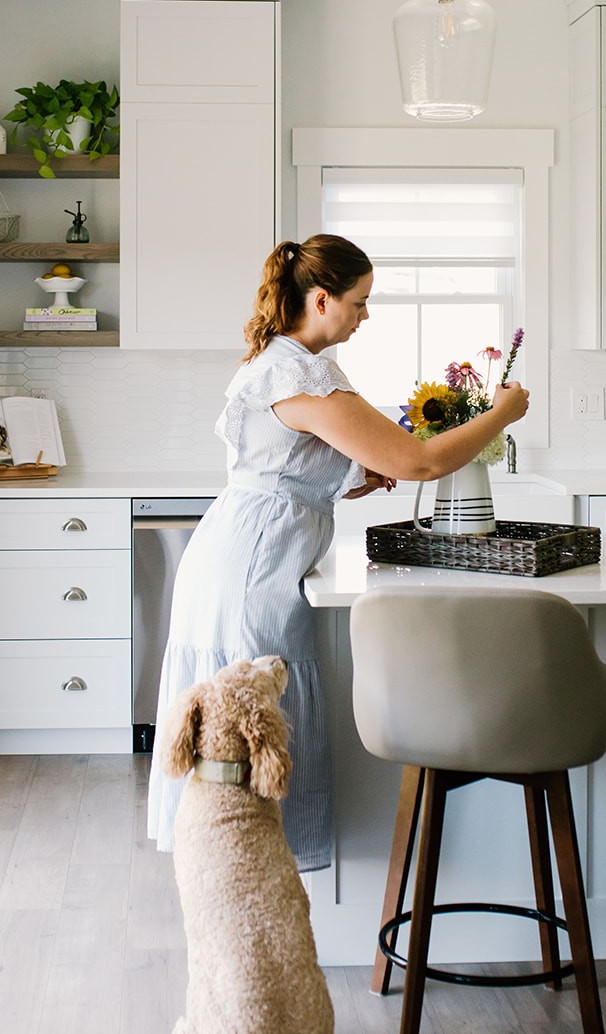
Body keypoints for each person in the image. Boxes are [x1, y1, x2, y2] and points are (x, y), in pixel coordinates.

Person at [147, 233, 529, 870]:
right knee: (250, 720)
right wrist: (502, 413)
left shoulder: (286, 362)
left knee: (241, 721)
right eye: (359, 301)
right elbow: (421, 460)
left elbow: (289, 467)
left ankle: (242, 871)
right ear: (321, 299)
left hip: (244, 550)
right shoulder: (303, 371)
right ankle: (247, 874)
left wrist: (354, 477)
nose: (365, 315)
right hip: (253, 567)